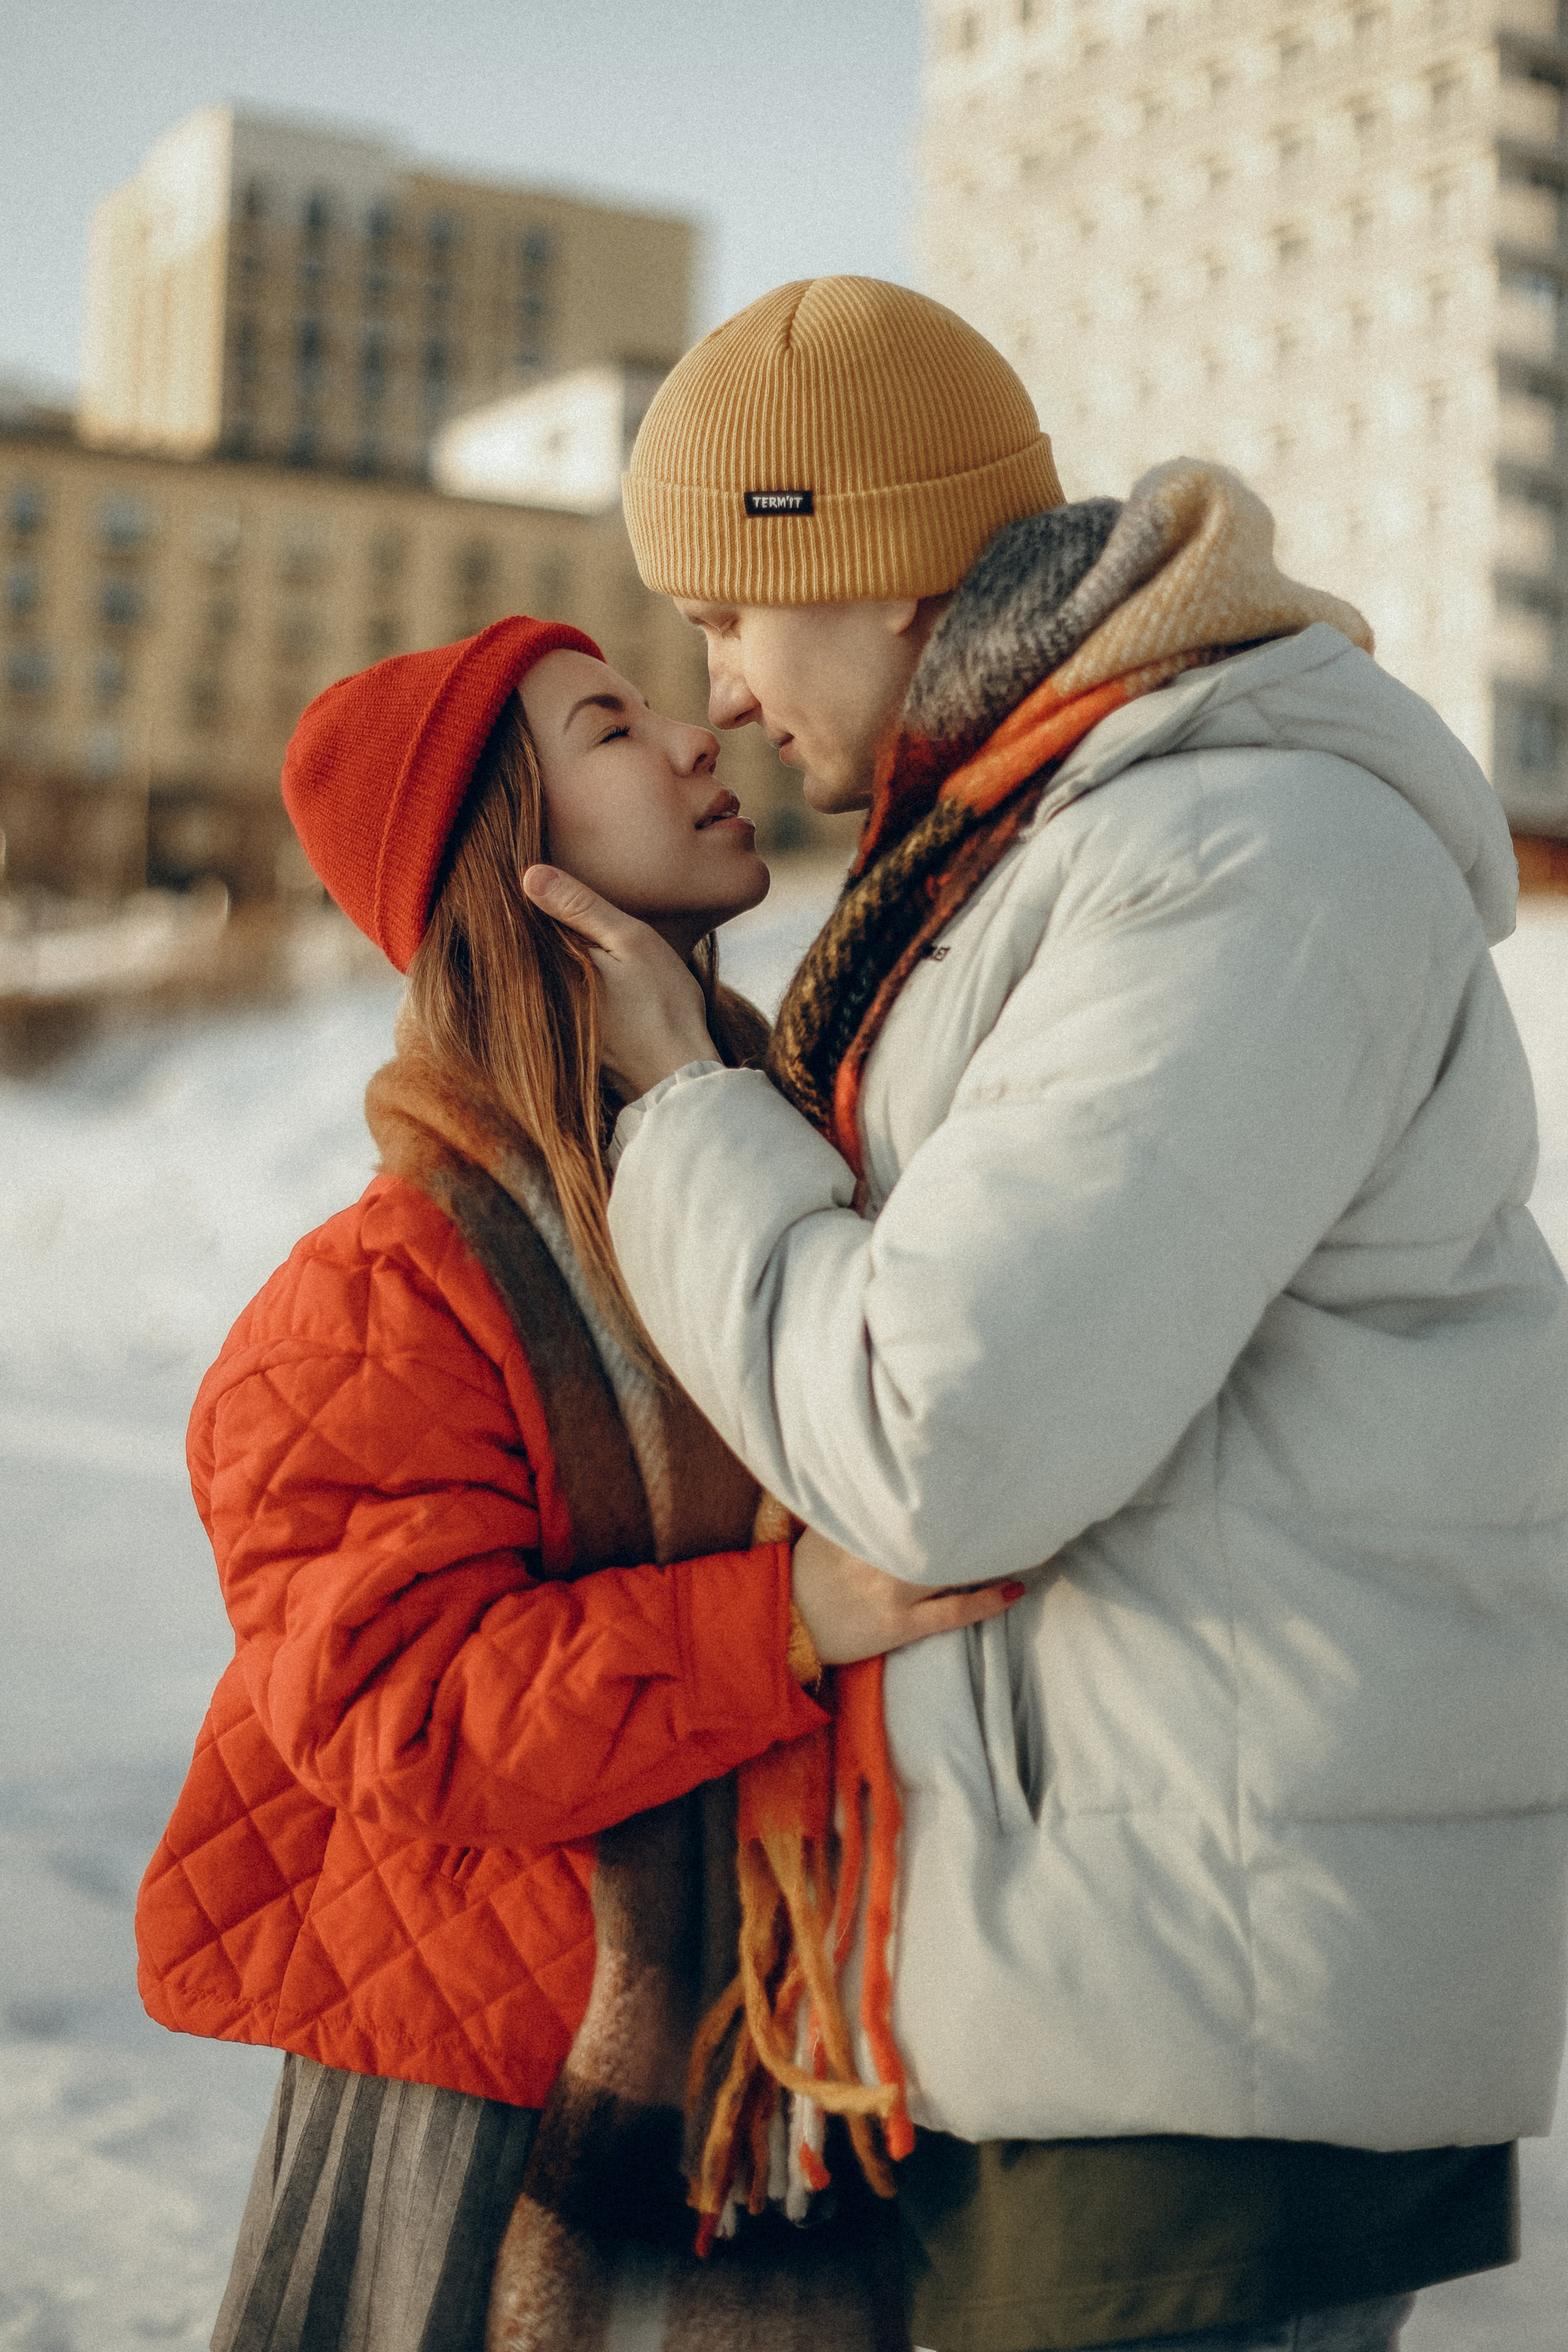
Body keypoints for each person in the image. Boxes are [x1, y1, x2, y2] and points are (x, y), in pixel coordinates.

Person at [524, 278, 1568, 2352]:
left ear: (872, 568)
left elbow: (943, 1442)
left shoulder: (1235, 855)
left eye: (732, 607)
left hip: (1199, 2028)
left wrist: (687, 1112)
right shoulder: (1030, 848)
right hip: (1077, 1973)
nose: (716, 692)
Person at [133, 614, 1021, 2352]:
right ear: (512, 865)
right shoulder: (380, 1296)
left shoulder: (798, 1165)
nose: (702, 738)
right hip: (485, 2113)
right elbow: (406, 1716)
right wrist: (790, 1618)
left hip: (803, 2070)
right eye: (613, 727)